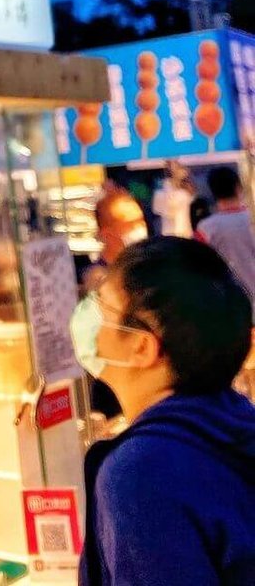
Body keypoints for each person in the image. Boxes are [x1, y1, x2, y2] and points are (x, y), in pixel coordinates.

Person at [70, 236, 254, 585]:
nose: (87, 316)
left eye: (102, 307)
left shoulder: (140, 473)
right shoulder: (233, 422)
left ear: (142, 347)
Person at [194, 166, 255, 305]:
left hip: (229, 306)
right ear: (238, 187)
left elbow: (199, 267)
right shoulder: (251, 219)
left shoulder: (206, 228)